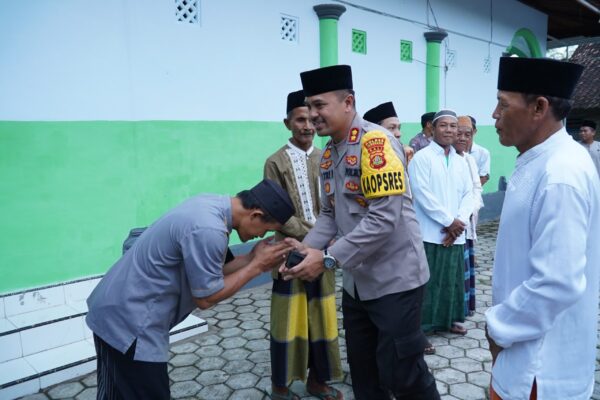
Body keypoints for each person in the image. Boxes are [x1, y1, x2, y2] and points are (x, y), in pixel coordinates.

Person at [281, 64, 440, 400]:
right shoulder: (329, 155)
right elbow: (329, 215)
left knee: (403, 374)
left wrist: (325, 260)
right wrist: (300, 254)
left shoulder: (375, 144)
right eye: (308, 107)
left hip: (396, 280)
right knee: (365, 375)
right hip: (358, 285)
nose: (312, 116)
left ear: (348, 102)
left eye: (320, 105)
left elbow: (384, 218)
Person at [86, 179, 295, 399]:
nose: (261, 236)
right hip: (131, 324)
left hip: (116, 310)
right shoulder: (209, 229)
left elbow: (211, 271)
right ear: (255, 215)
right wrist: (256, 266)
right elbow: (206, 297)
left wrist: (251, 257)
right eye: (265, 230)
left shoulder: (210, 205)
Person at [485, 57, 600, 400]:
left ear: (539, 107)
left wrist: (498, 328)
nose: (494, 114)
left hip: (538, 369)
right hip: (523, 351)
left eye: (503, 104)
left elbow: (557, 281)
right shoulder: (541, 159)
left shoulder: (561, 173)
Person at [263, 90, 343, 400]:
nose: (307, 126)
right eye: (300, 119)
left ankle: (317, 381)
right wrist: (311, 238)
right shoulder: (275, 162)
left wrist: (327, 239)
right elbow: (276, 211)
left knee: (321, 319)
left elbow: (335, 204)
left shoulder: (327, 157)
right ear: (287, 123)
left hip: (323, 251)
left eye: (311, 119)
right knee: (288, 321)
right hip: (290, 252)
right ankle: (280, 386)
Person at [408, 109, 474, 340]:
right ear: (432, 129)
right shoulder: (422, 158)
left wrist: (460, 222)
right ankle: (423, 327)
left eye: (453, 126)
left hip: (455, 232)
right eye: (443, 126)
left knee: (452, 280)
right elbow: (422, 194)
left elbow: (470, 193)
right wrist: (449, 222)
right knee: (430, 280)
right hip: (430, 231)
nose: (449, 130)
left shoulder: (461, 160)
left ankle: (449, 320)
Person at [455, 116, 483, 316]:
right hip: (449, 225)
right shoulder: (444, 158)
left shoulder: (469, 159)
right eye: (459, 133)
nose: (463, 138)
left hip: (465, 224)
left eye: (468, 134)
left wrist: (466, 216)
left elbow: (476, 189)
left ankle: (464, 310)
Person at [467, 116, 492, 186]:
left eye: (468, 130)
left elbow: (484, 177)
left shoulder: (483, 152)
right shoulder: (452, 150)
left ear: (474, 131)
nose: (464, 135)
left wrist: (470, 192)